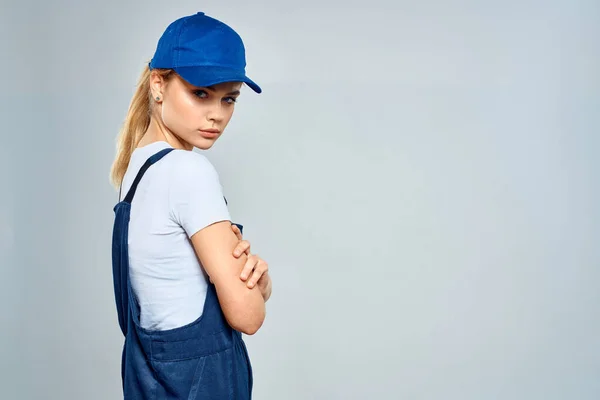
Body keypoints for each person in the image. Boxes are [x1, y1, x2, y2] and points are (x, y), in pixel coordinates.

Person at [108, 11, 272, 399]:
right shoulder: (187, 171)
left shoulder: (136, 169)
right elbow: (247, 316)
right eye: (201, 93)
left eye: (228, 98)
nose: (217, 114)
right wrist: (260, 286)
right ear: (158, 84)